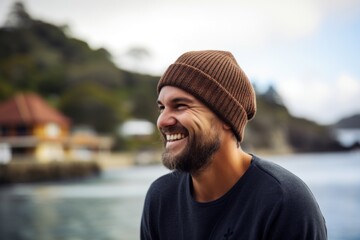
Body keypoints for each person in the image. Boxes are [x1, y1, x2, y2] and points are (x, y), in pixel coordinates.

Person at [140, 50, 327, 239]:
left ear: (226, 118)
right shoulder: (161, 198)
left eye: (180, 105)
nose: (162, 121)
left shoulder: (283, 202)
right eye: (162, 108)